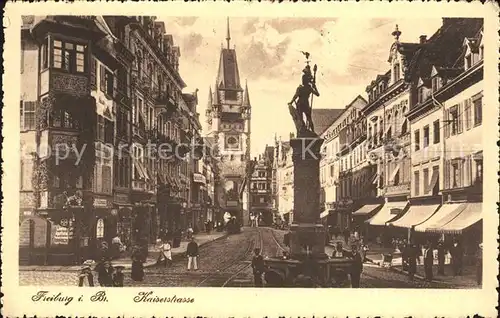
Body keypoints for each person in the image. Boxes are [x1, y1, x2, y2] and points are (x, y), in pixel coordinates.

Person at [288, 67, 320, 132]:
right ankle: (312, 132)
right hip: (306, 104)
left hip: (300, 104)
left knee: (301, 119)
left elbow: (295, 96)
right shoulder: (309, 88)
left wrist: (291, 102)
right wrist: (314, 86)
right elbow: (317, 94)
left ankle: (303, 131)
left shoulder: (300, 88)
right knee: (309, 119)